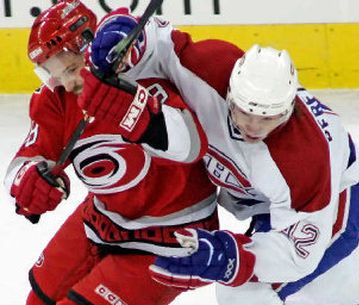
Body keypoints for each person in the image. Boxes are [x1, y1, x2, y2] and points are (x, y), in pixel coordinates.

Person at [84, 8, 359, 305]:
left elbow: (298, 253)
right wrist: (129, 37)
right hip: (265, 196)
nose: (253, 125)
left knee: (249, 290)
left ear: (288, 109)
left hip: (332, 199)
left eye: (268, 118)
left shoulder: (304, 160)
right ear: (230, 89)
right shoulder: (210, 67)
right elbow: (159, 43)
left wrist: (231, 256)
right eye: (245, 111)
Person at [3, 1, 219, 304]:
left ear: (90, 46)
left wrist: (141, 116)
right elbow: (28, 156)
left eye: (71, 69)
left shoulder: (141, 78)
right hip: (103, 218)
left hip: (175, 237)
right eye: (54, 74)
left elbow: (193, 145)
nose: (67, 83)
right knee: (36, 300)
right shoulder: (58, 97)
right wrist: (27, 179)